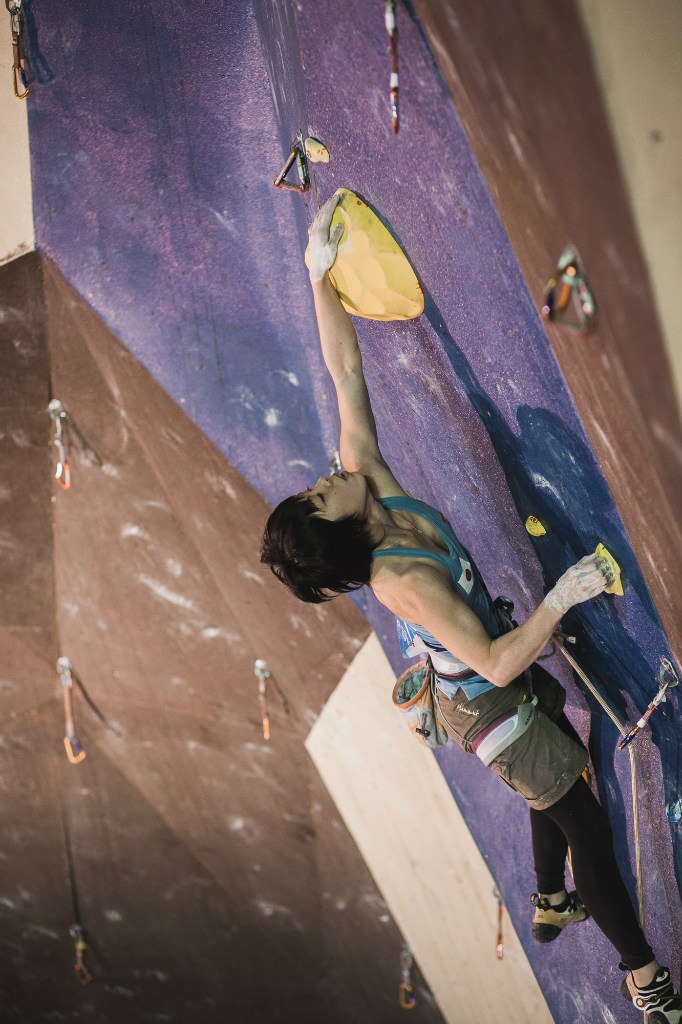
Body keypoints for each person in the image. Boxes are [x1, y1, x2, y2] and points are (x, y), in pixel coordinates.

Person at [261, 194, 681, 1023]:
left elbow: (346, 372)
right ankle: (643, 977)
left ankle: (550, 899)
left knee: (560, 751)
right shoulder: (402, 581)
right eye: (317, 497)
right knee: (583, 817)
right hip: (484, 704)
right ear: (338, 531)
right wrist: (563, 596)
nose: (324, 479)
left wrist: (318, 276)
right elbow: (496, 661)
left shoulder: (367, 478)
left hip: (479, 671)